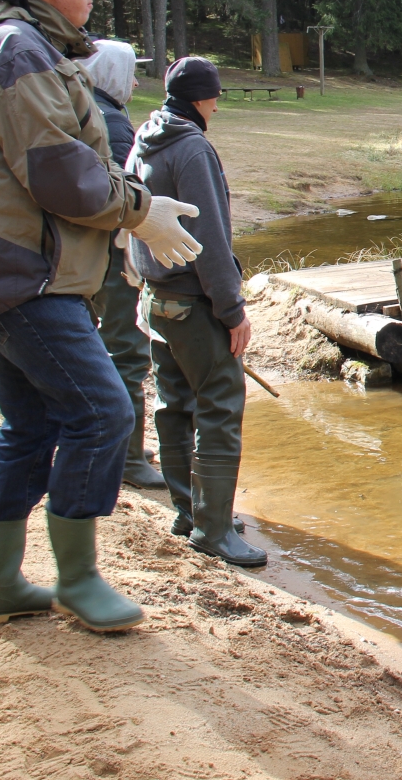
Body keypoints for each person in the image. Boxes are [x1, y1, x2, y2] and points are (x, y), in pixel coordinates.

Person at [0, 0, 202, 633]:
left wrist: (127, 216)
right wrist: (138, 213)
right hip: (23, 276)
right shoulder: (16, 50)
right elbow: (61, 174)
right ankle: (78, 578)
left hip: (12, 271)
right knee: (105, 411)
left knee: (31, 425)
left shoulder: (27, 46)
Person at [127, 57, 265, 567]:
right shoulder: (192, 148)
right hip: (193, 302)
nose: (216, 105)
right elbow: (209, 240)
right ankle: (212, 530)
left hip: (156, 298)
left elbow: (135, 216)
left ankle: (190, 512)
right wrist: (233, 312)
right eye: (215, 96)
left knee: (175, 402)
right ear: (202, 99)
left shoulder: (147, 135)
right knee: (220, 407)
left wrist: (140, 279)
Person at [82, 39, 165, 489]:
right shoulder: (109, 120)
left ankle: (119, 440)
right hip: (112, 259)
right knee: (127, 352)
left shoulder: (86, 107)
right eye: (130, 72)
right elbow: (121, 197)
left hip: (90, 256)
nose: (134, 82)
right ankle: (128, 459)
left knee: (105, 348)